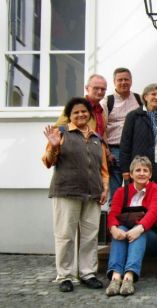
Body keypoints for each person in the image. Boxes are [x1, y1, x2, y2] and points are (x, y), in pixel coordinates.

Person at [42, 97, 109, 292]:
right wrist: (54, 146)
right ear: (69, 116)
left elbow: (103, 169)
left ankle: (87, 273)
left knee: (90, 236)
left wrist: (105, 188)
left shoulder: (97, 138)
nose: (80, 115)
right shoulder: (60, 133)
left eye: (84, 112)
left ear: (89, 114)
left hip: (93, 194)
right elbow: (47, 162)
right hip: (67, 191)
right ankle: (65, 275)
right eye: (76, 112)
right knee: (65, 235)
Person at [105, 156, 157, 296]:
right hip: (126, 234)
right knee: (121, 230)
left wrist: (139, 228)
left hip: (152, 238)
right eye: (138, 170)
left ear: (150, 174)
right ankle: (115, 277)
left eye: (145, 170)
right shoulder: (121, 192)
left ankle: (129, 277)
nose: (142, 173)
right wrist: (113, 229)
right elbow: (113, 213)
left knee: (139, 232)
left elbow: (153, 213)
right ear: (131, 174)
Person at [120, 83, 157, 192]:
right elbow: (125, 144)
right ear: (145, 97)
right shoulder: (134, 116)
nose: (156, 97)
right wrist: (125, 169)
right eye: (153, 94)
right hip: (139, 167)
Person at [101, 68, 142, 201]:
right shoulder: (107, 101)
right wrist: (107, 151)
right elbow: (101, 128)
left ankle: (132, 219)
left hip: (135, 151)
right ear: (114, 82)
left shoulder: (139, 99)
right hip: (115, 151)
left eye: (126, 79)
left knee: (135, 193)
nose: (123, 82)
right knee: (116, 194)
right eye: (120, 80)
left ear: (131, 81)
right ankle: (113, 220)